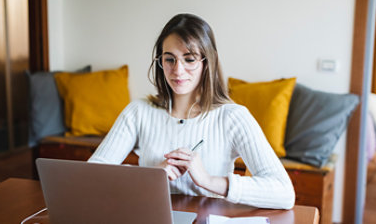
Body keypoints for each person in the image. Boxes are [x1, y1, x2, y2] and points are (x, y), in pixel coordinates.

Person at [88, 13, 295, 209]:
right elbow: (90, 177)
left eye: (189, 59)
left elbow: (284, 193)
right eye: (169, 59)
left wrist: (208, 180)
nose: (178, 70)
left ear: (208, 62)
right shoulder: (138, 112)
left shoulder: (233, 117)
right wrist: (150, 176)